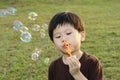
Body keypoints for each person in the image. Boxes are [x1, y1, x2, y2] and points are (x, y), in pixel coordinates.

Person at [48, 11, 103, 80]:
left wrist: (77, 74)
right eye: (58, 36)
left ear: (82, 36)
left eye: (68, 33)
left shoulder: (92, 62)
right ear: (54, 43)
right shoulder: (54, 66)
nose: (63, 39)